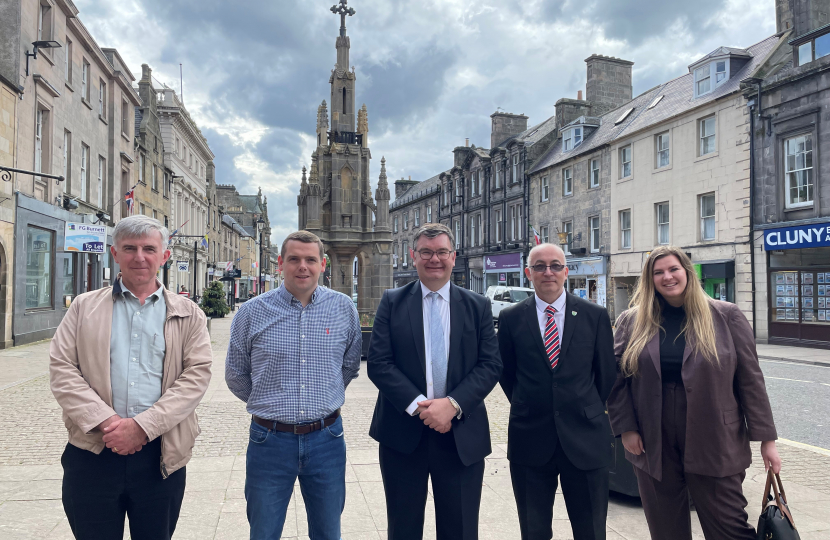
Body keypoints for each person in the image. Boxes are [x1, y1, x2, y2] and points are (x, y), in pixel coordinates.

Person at [49, 215, 213, 540]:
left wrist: (142, 427)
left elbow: (196, 378)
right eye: (130, 248)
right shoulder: (83, 307)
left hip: (160, 455)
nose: (140, 257)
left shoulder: (189, 313)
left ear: (164, 256)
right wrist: (108, 422)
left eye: (149, 249)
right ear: (115, 254)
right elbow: (62, 370)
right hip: (93, 450)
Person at [607, 245, 781, 540]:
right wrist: (626, 428)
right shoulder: (631, 320)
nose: (667, 277)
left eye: (673, 269)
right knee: (666, 530)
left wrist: (767, 439)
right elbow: (616, 378)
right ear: (650, 280)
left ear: (687, 272)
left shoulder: (726, 316)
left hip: (715, 437)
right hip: (652, 438)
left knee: (729, 528)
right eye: (658, 272)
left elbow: (750, 380)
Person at [367, 223, 502, 540]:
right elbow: (379, 363)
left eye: (442, 252)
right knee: (403, 529)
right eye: (426, 252)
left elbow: (490, 364)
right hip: (402, 436)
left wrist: (452, 406)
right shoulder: (392, 302)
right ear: (413, 256)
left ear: (454, 257)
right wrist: (421, 408)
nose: (434, 259)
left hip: (461, 437)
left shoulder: (477, 306)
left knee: (460, 530)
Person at [225, 230, 361, 540]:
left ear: (322, 264)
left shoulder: (343, 309)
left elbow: (350, 365)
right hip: (269, 441)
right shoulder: (251, 312)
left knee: (328, 532)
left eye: (311, 259)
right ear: (280, 263)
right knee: (264, 532)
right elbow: (236, 374)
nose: (303, 266)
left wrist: (323, 395)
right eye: (294, 259)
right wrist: (270, 401)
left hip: (326, 439)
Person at [497, 243, 616, 540]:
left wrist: (583, 406)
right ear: (528, 273)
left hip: (585, 437)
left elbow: (605, 374)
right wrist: (532, 403)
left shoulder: (594, 315)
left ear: (566, 271)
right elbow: (507, 373)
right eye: (539, 266)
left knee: (590, 531)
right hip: (530, 437)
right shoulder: (511, 319)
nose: (547, 272)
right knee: (534, 531)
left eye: (554, 266)